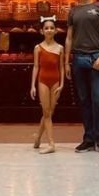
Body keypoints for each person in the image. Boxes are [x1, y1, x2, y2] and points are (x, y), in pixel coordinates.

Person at [65, 0, 99, 154]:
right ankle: (88, 139)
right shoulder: (73, 11)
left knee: (98, 99)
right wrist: (67, 62)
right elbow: (69, 37)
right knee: (84, 100)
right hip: (78, 58)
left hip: (95, 57)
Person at [29, 16, 64, 154]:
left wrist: (62, 84)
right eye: (46, 28)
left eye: (51, 28)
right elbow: (36, 67)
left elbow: (61, 67)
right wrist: (32, 86)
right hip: (43, 81)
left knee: (50, 112)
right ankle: (51, 143)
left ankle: (38, 137)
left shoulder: (60, 48)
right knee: (47, 113)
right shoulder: (37, 48)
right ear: (42, 31)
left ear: (56, 31)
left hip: (55, 81)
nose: (49, 30)